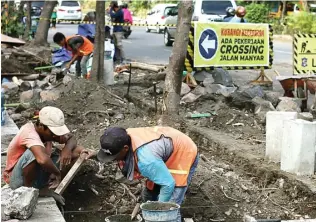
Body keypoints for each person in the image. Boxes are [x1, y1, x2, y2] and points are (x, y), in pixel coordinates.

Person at [88, 126, 199, 222]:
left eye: (114, 157)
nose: (113, 160)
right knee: (149, 197)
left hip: (183, 152)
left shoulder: (146, 160)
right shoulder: (121, 137)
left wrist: (160, 210)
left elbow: (168, 184)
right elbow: (113, 149)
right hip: (162, 149)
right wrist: (97, 154)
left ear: (125, 149)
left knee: (169, 209)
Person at [3, 106, 93, 205]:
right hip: (18, 181)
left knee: (76, 151)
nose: (55, 136)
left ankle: (50, 186)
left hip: (36, 176)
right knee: (34, 152)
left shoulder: (48, 133)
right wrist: (57, 173)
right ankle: (29, 192)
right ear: (41, 126)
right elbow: (42, 160)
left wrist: (66, 149)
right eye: (53, 132)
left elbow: (71, 138)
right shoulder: (29, 133)